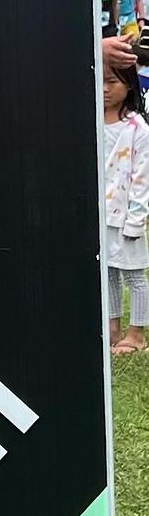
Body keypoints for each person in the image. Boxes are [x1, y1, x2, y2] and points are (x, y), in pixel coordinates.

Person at [103, 47, 149, 353]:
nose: (105, 89)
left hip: (126, 217)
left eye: (113, 81)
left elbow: (142, 178)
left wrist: (135, 220)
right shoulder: (92, 120)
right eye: (101, 81)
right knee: (108, 272)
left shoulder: (138, 129)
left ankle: (136, 334)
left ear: (130, 85)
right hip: (102, 215)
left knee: (134, 275)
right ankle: (112, 327)